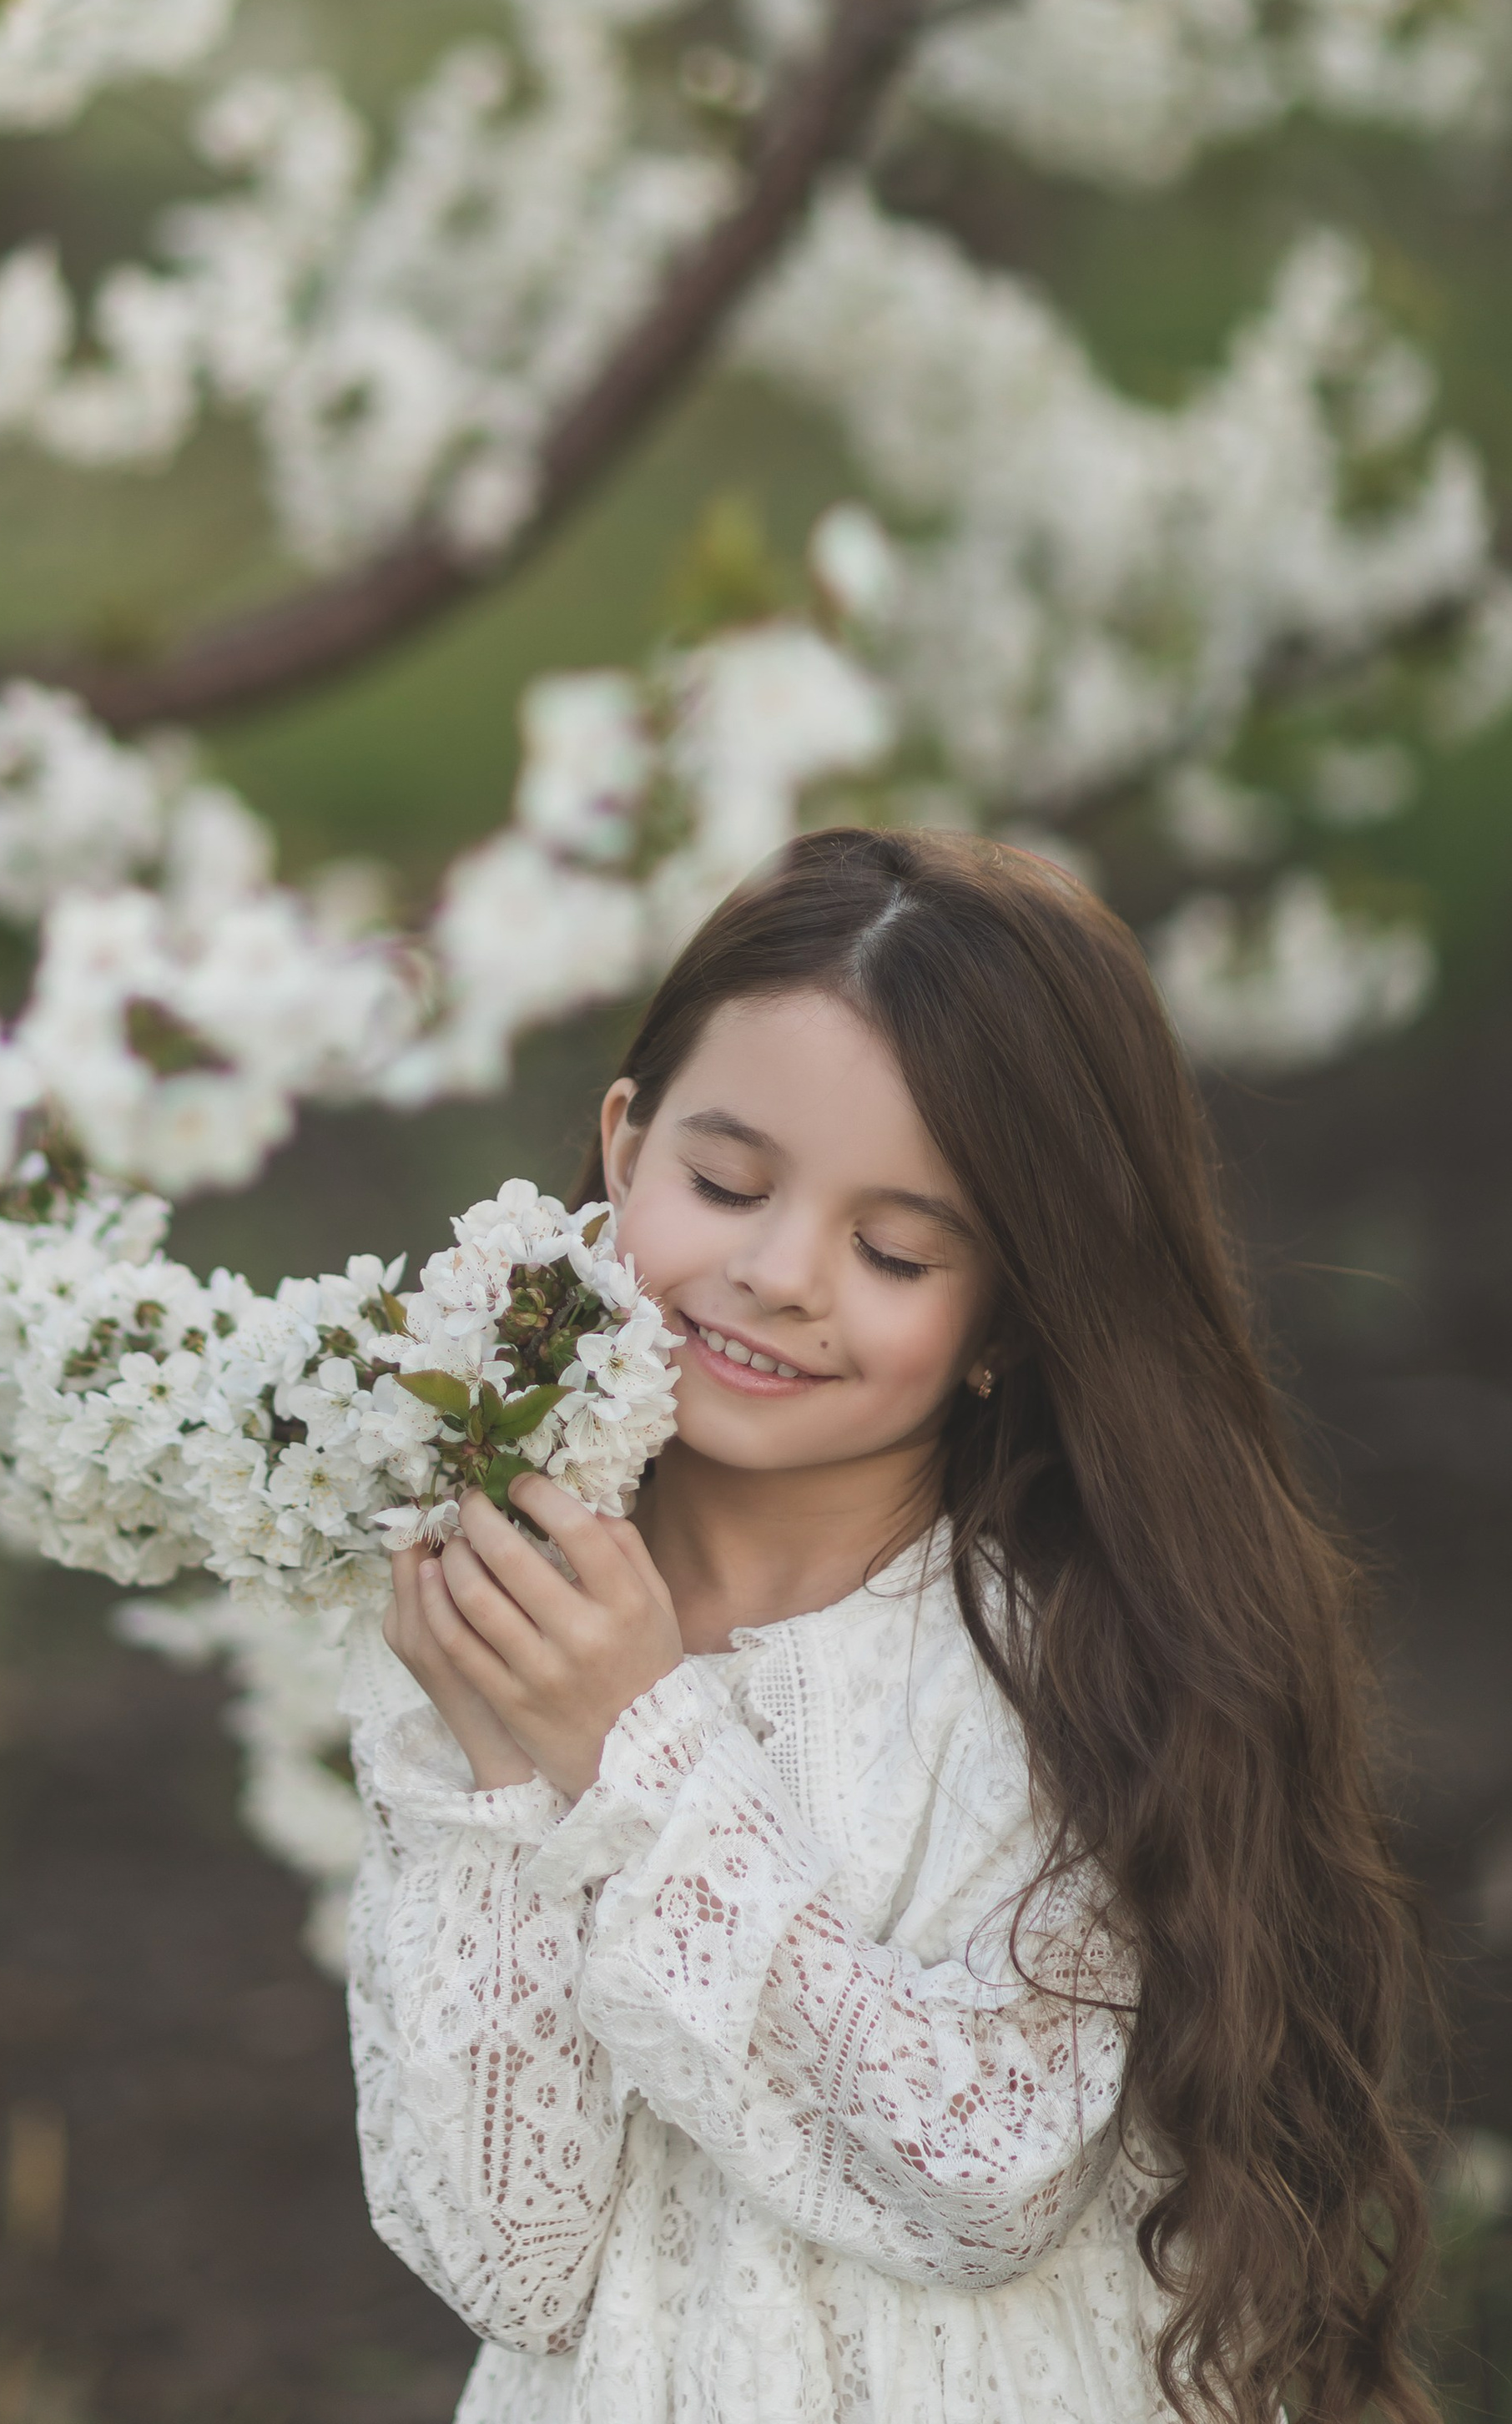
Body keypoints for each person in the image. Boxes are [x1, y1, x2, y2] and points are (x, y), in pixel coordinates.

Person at [343, 826, 1438, 2424]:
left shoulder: (1078, 1663)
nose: (780, 1272)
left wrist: (635, 1758)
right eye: (725, 1182)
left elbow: (980, 2181)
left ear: (1006, 1307)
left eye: (896, 1247)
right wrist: (500, 1765)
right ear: (623, 1144)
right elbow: (509, 2257)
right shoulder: (509, 1623)